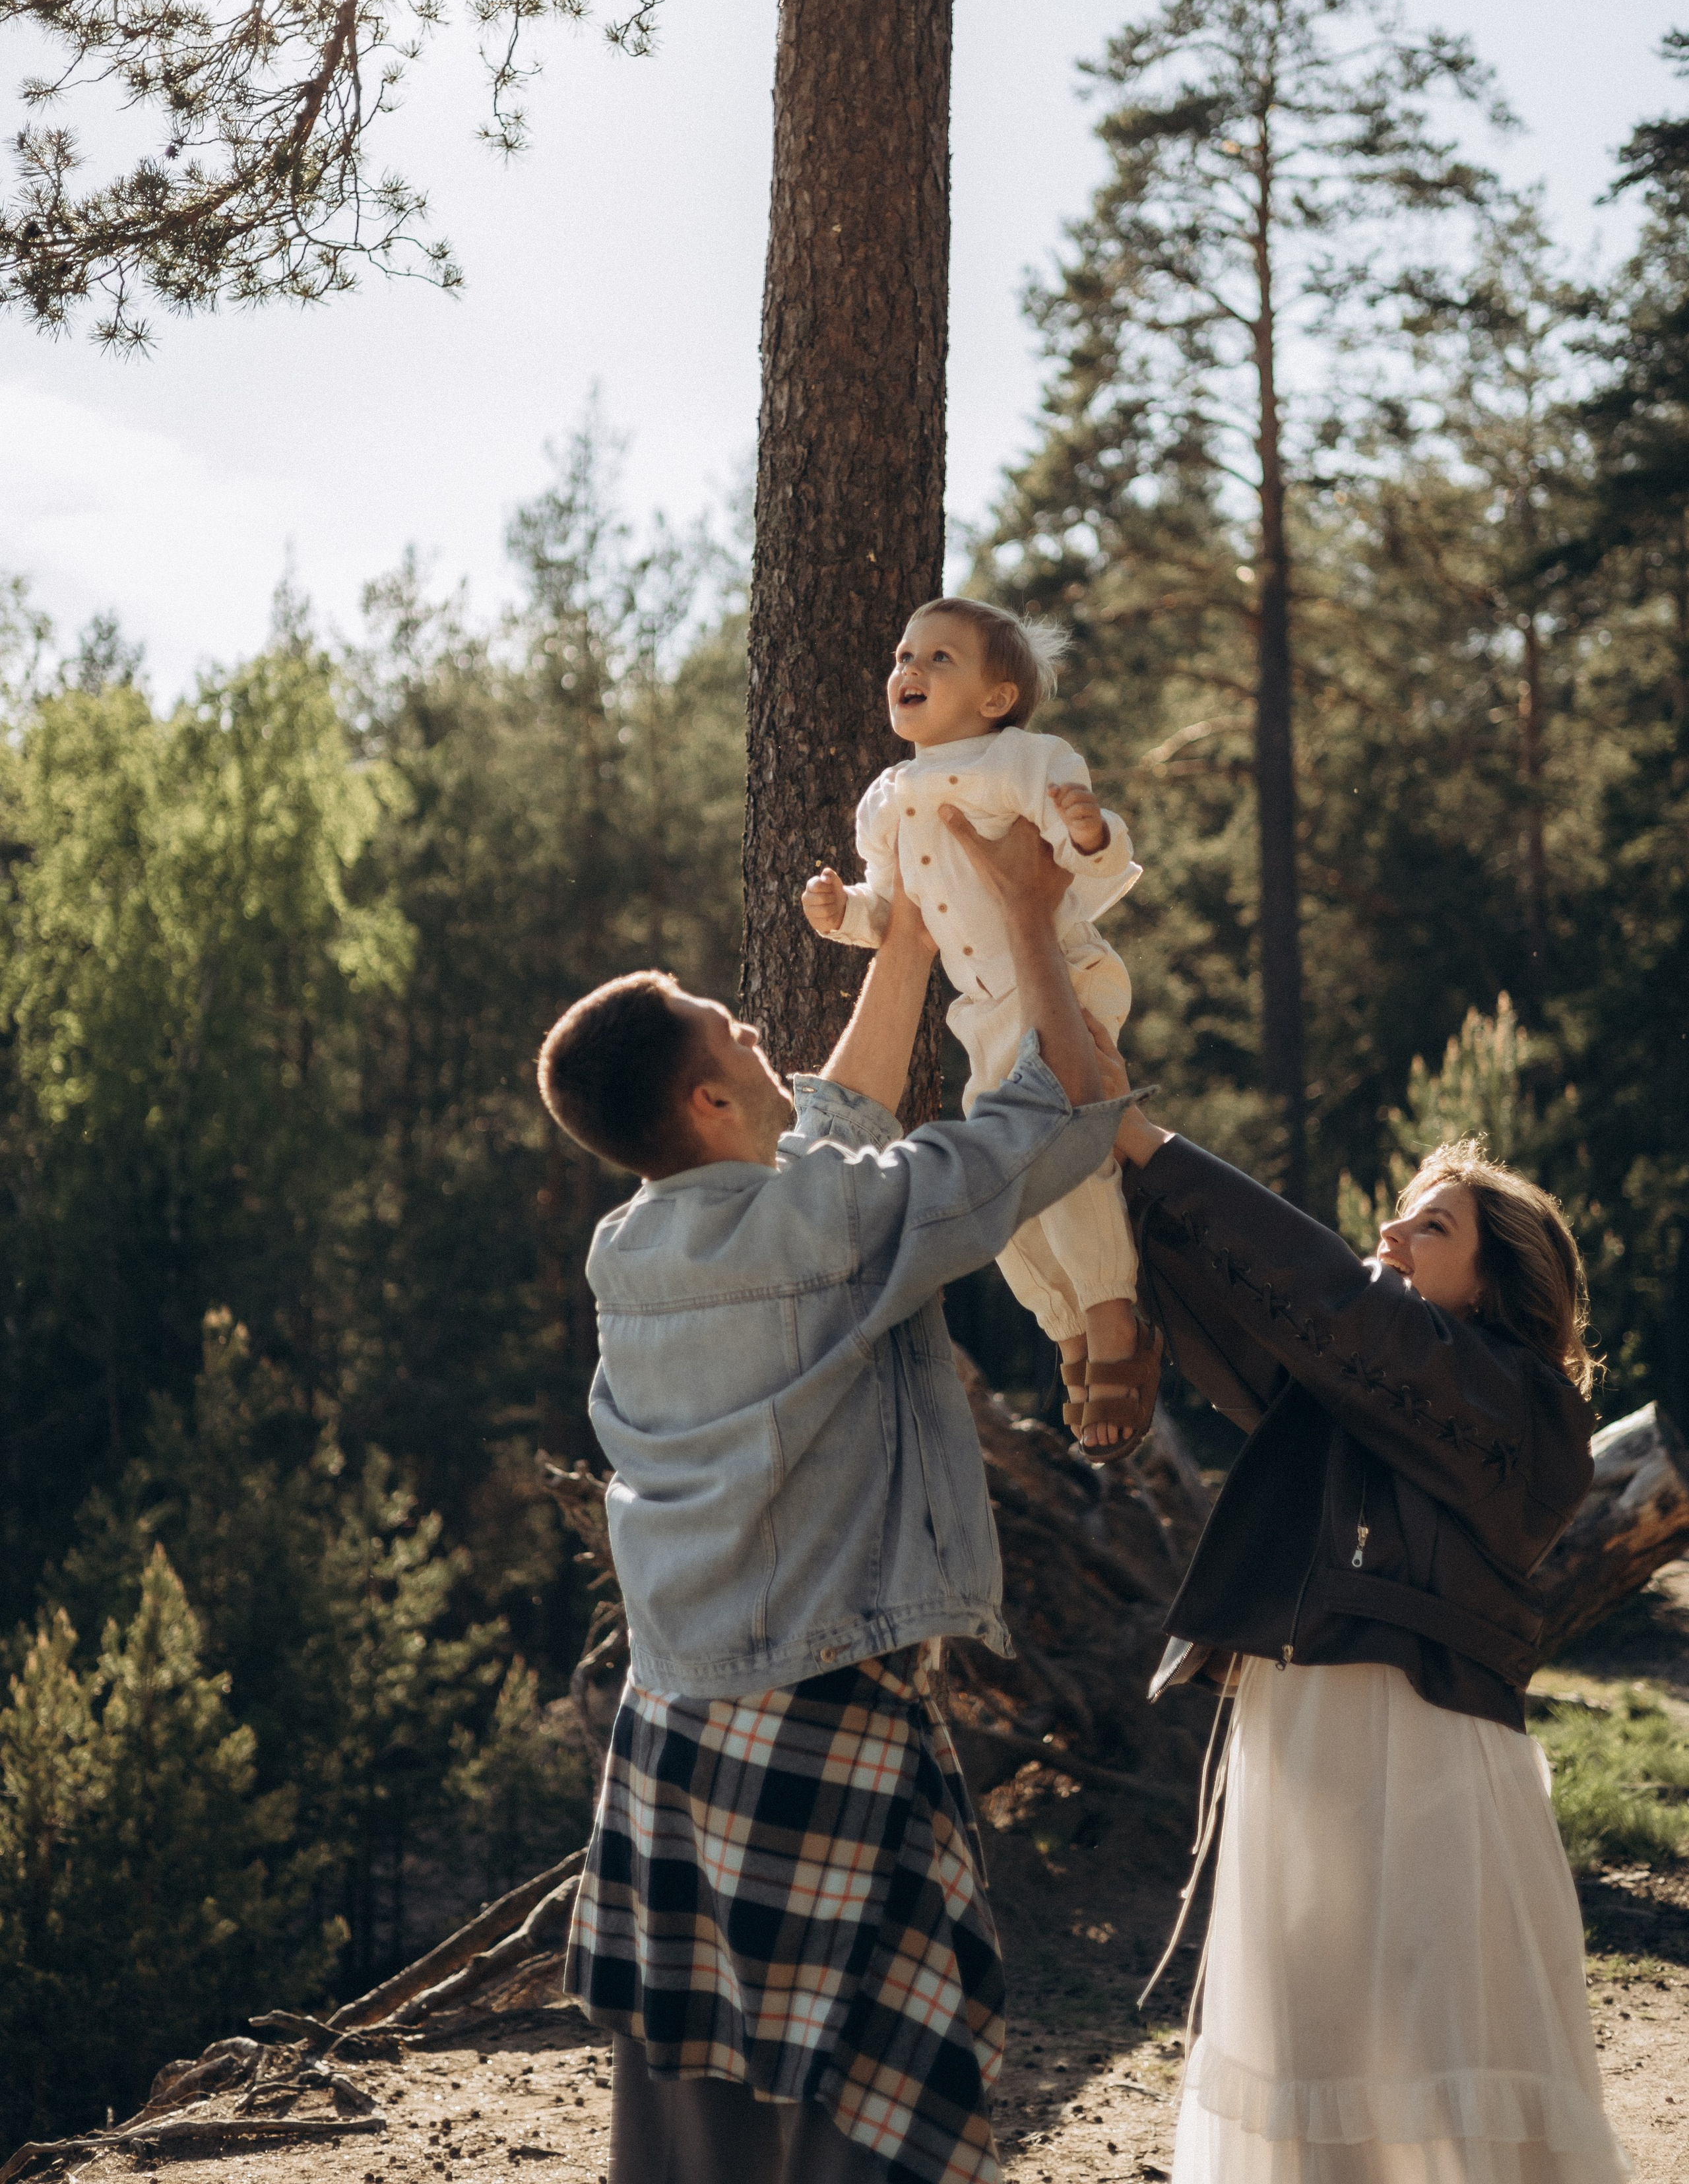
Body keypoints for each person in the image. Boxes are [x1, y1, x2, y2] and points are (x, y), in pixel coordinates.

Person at [536, 819, 1151, 2184]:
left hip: (680, 1709)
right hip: (815, 1710)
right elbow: (1053, 1111)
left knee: (696, 2073)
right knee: (866, 2081)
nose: (760, 1030)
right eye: (731, 1028)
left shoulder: (634, 1246)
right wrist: (1031, 915)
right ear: (702, 1104)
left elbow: (835, 1125)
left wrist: (918, 941)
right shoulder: (826, 1232)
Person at [1088, 1038, 1630, 2183]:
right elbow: (1250, 1305)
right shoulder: (1357, 1389)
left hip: (1423, 1739)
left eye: (1429, 1228)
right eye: (1398, 1214)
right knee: (1310, 2025)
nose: (1390, 1235)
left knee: (1441, 2037)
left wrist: (1146, 1140)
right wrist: (1113, 1151)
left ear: (1492, 1281)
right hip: (1304, 1724)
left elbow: (1328, 1297)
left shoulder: (1520, 1410)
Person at [802, 595, 1153, 1457]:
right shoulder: (885, 800)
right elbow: (897, 917)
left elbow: (1093, 852)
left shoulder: (1025, 759)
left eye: (938, 659)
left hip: (1063, 981)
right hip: (983, 1013)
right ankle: (1063, 1320)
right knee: (999, 1185)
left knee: (1063, 1151)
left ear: (997, 698)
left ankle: (1115, 1315)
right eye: (901, 655)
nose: (908, 671)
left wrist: (1087, 830)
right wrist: (842, 910)